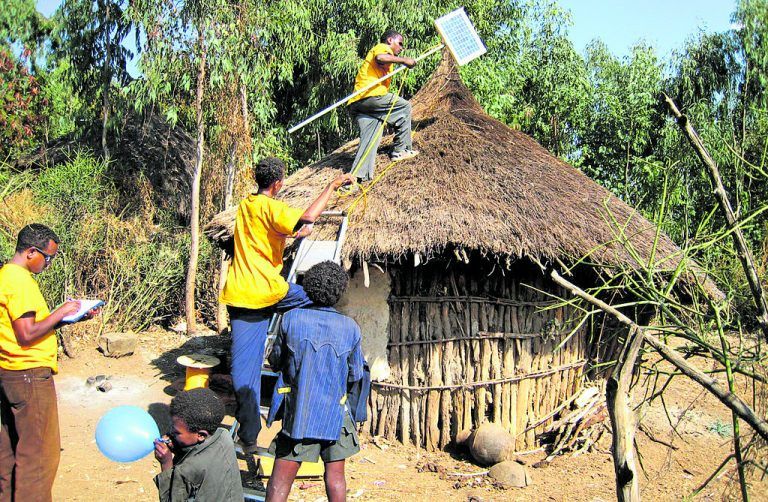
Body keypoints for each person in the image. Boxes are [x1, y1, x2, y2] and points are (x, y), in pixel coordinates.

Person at [220, 157, 353, 452]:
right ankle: (305, 343)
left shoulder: (247, 206)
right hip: (270, 291)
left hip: (242, 297)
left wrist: (292, 234)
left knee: (245, 373)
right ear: (278, 183)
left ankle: (249, 437)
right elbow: (306, 218)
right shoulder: (273, 207)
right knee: (320, 294)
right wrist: (331, 186)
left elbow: (268, 232)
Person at [0, 223, 92, 502]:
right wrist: (61, 311)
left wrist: (63, 319)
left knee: (11, 451)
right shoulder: (19, 281)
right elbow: (27, 334)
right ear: (30, 252)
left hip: (10, 373)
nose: (49, 264)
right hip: (28, 374)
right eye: (47, 257)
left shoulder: (5, 275)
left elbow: (26, 328)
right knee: (39, 458)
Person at [265, 261, 369, 502]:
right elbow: (355, 374)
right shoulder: (350, 328)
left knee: (280, 481)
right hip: (335, 414)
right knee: (335, 478)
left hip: (300, 413)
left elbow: (276, 360)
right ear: (339, 292)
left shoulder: (291, 319)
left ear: (307, 287)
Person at [348, 29, 420, 184]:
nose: (401, 48)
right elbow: (380, 57)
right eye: (399, 43)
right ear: (389, 40)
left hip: (358, 103)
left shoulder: (388, 55)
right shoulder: (383, 48)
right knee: (404, 107)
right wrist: (404, 60)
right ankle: (401, 150)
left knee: (372, 135)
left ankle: (358, 176)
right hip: (371, 95)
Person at [153, 388, 243, 502]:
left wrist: (166, 463)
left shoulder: (187, 470)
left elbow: (170, 499)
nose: (171, 433)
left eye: (176, 432)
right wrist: (178, 448)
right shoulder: (223, 435)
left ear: (201, 435)